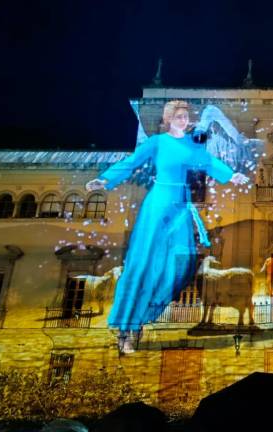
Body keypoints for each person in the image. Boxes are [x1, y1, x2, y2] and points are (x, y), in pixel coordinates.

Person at [86, 101, 249, 353]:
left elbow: (207, 162)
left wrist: (231, 175)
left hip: (181, 206)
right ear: (168, 119)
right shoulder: (158, 142)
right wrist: (105, 179)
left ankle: (144, 312)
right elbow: (132, 162)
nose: (184, 120)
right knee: (143, 264)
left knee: (178, 264)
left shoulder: (191, 144)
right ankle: (126, 329)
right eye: (178, 117)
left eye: (186, 116)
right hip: (159, 202)